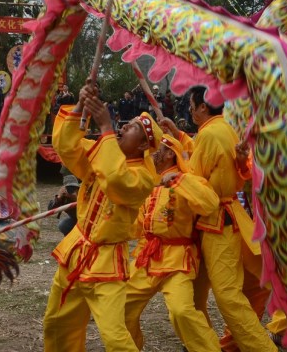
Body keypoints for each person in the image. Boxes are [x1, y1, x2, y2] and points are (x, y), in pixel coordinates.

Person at [161, 86, 278, 352]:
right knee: (195, 294)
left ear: (203, 106)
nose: (189, 110)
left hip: (218, 222)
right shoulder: (223, 128)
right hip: (215, 221)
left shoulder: (210, 133)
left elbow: (196, 177)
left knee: (227, 296)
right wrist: (178, 136)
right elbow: (209, 164)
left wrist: (172, 170)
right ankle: (202, 344)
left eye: (191, 105)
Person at [42, 84, 156, 352]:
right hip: (76, 253)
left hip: (106, 266)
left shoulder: (143, 178)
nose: (123, 127)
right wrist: (80, 106)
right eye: (124, 125)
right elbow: (66, 146)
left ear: (142, 145)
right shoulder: (102, 151)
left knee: (116, 339)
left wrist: (106, 128)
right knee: (57, 323)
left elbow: (116, 180)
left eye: (133, 128)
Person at [123, 133, 221, 351]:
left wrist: (179, 179)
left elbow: (209, 204)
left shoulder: (188, 179)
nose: (150, 153)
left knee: (181, 311)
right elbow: (137, 226)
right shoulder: (151, 183)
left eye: (155, 149)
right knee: (121, 307)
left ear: (169, 153)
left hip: (178, 259)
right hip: (147, 257)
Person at [47, 172, 80, 236]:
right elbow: (50, 209)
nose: (71, 189)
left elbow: (88, 206)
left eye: (74, 187)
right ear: (64, 188)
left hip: (86, 220)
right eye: (69, 187)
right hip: (75, 219)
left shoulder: (83, 191)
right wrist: (59, 198)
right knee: (63, 225)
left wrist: (76, 198)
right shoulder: (63, 196)